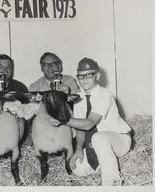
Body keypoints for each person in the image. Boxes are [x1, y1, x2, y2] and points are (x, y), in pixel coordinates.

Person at [53, 57, 132, 186]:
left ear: (98, 76)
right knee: (78, 168)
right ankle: (102, 164)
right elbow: (80, 127)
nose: (84, 79)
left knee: (98, 137)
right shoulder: (79, 98)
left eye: (89, 75)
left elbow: (89, 123)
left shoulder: (104, 95)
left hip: (118, 140)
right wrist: (78, 148)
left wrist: (63, 120)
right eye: (80, 76)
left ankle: (111, 183)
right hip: (95, 144)